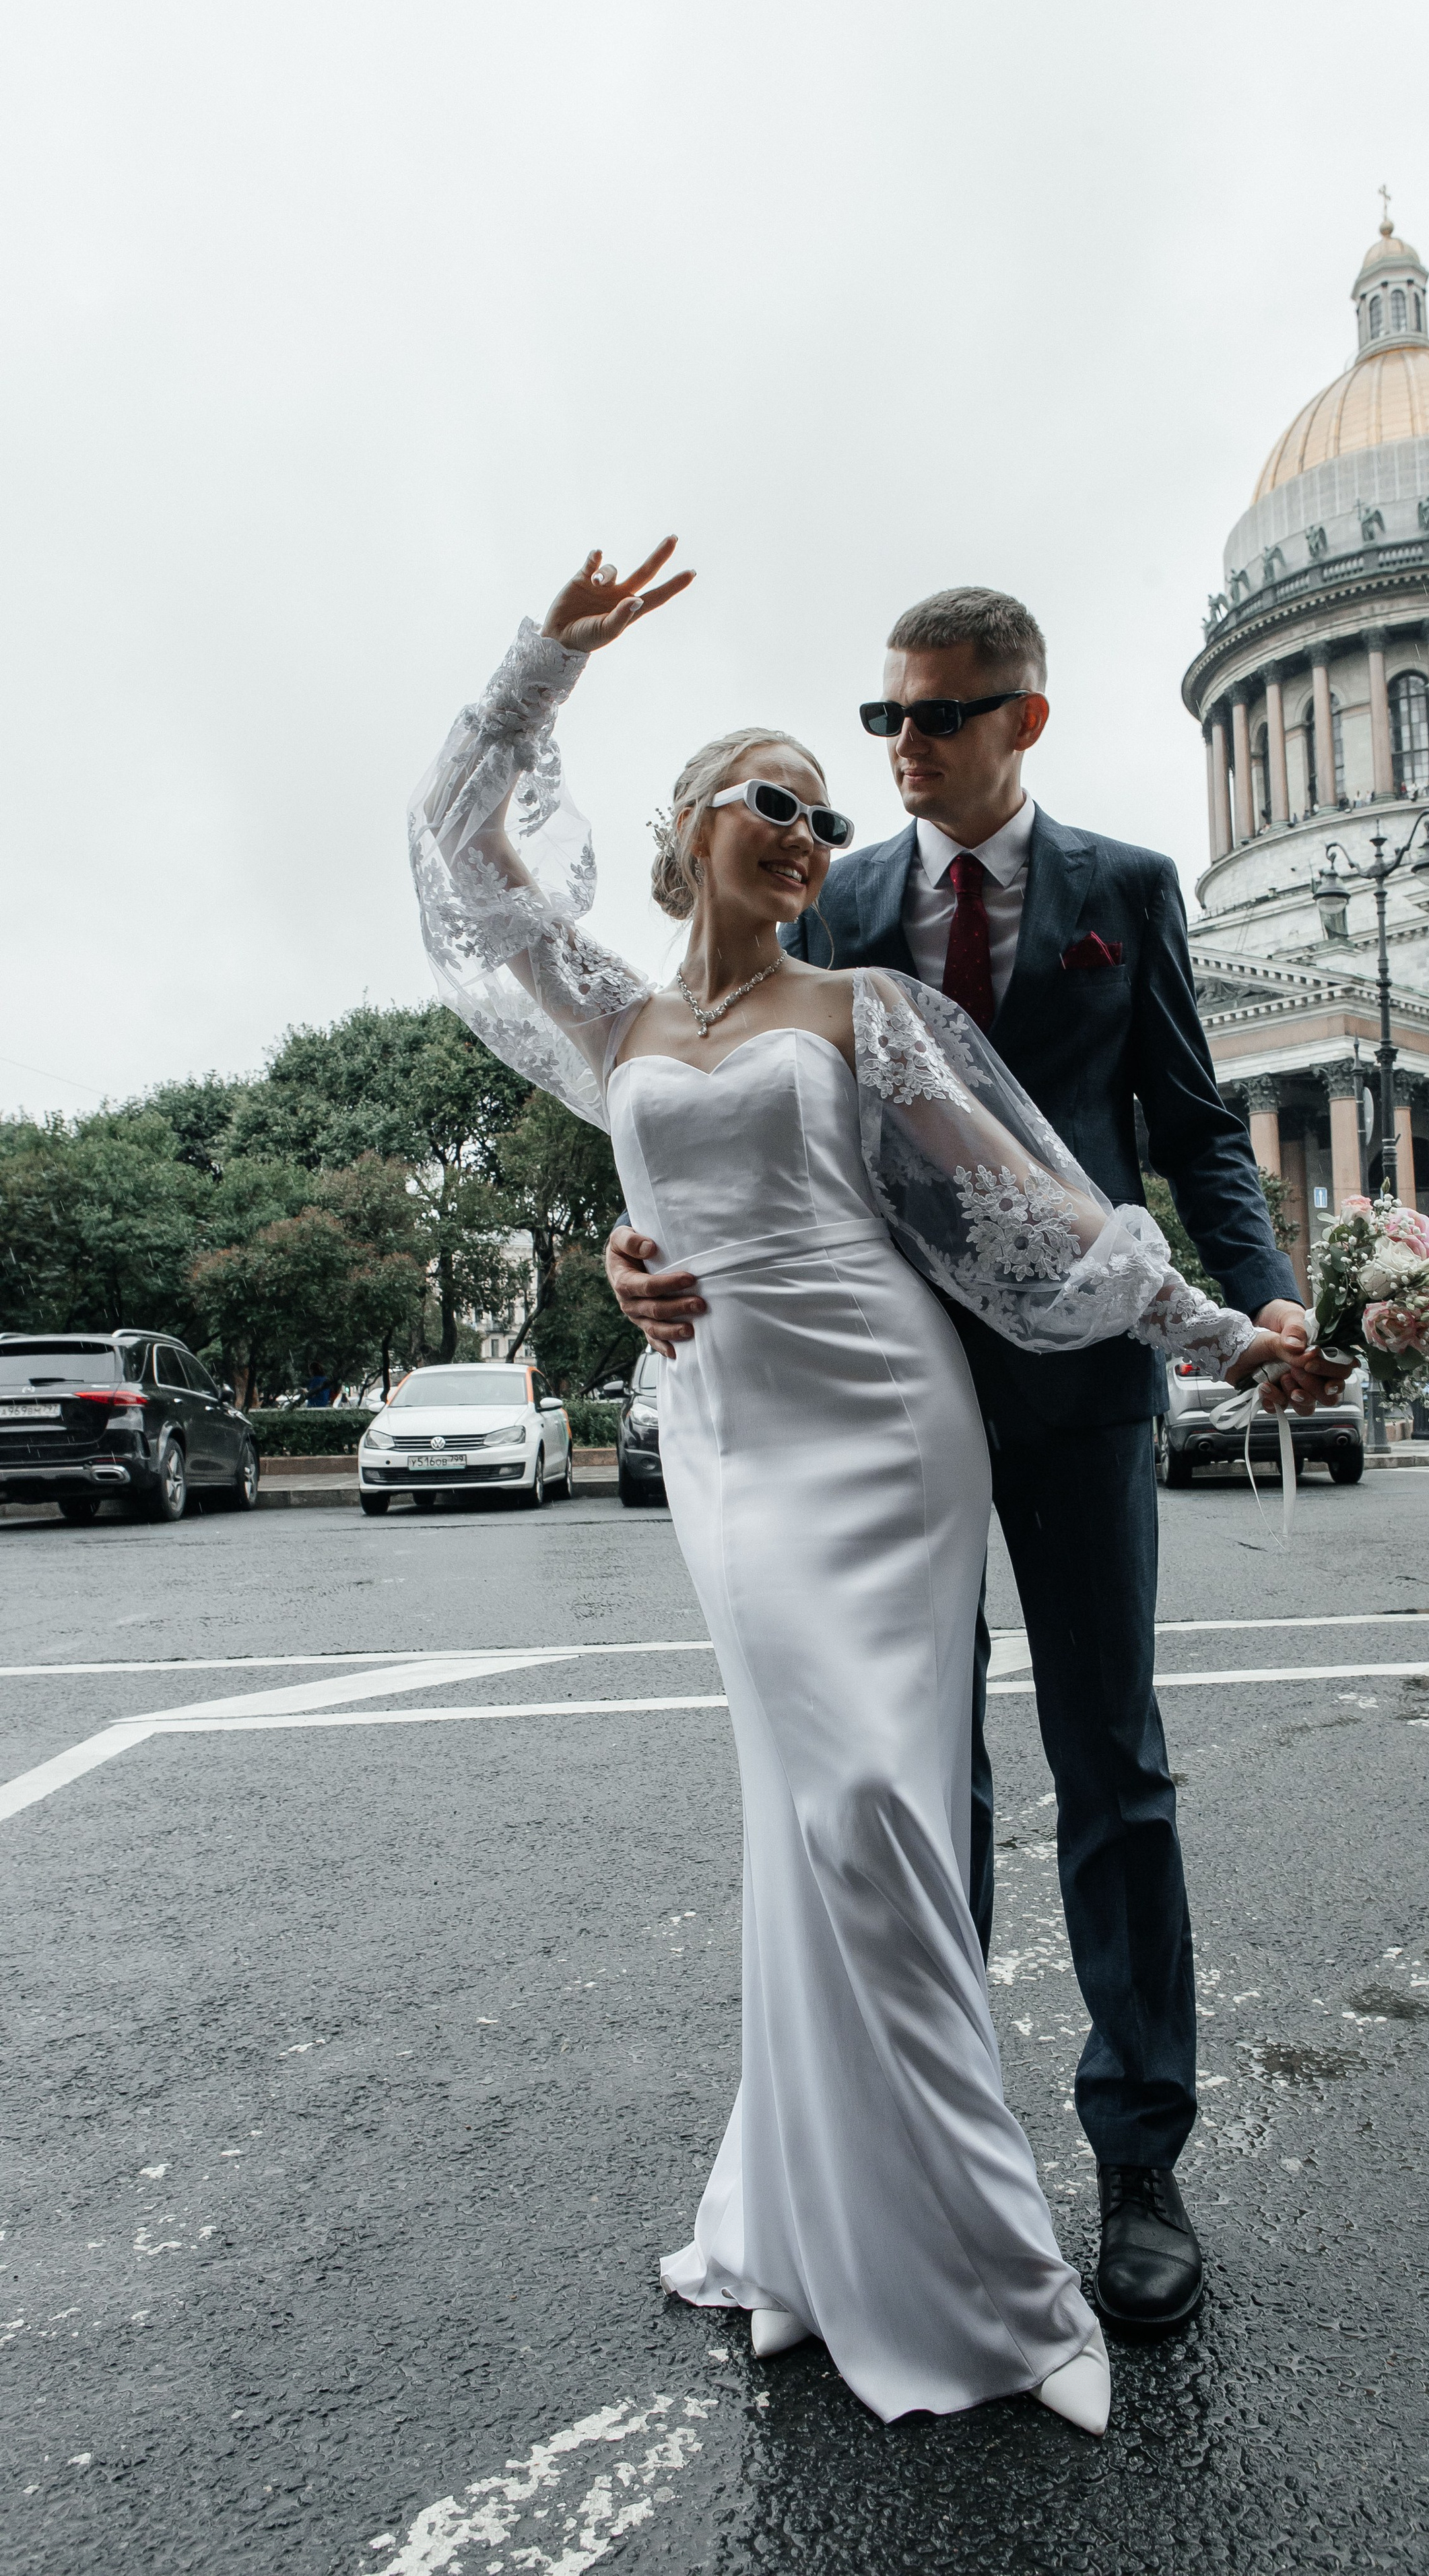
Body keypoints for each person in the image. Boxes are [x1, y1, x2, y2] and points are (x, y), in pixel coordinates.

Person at [410, 543, 1308, 2437]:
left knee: (1066, 1773)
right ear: (693, 828)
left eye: (876, 762)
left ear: (1016, 720)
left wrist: (1229, 1324)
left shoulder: (957, 962)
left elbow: (1045, 1182)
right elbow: (468, 872)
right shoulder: (648, 1005)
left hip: (923, 1417)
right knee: (838, 1822)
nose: (842, 800)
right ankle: (853, 2206)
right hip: (744, 1445)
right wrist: (539, 667)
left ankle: (1091, 2192)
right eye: (800, 783)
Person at [607, 583, 1349, 2348]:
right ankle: (949, 2174)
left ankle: (1140, 2166)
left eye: (937, 717)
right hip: (883, 1403)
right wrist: (637, 1257)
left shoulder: (1126, 893)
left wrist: (1266, 1291)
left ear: (1025, 719)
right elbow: (708, 1106)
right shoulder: (837, 896)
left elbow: (1188, 1130)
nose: (903, 748)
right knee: (916, 1790)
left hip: (1087, 1383)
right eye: (885, 721)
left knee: (1115, 1767)